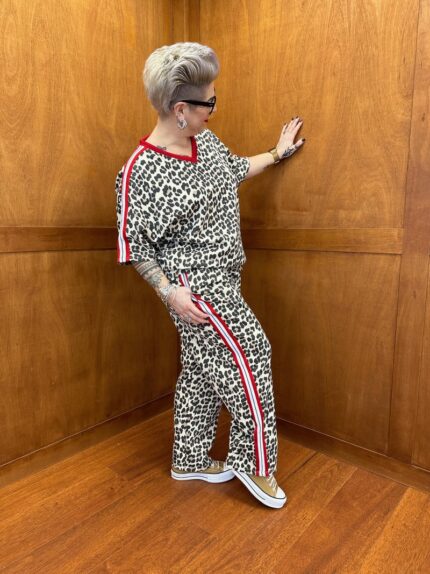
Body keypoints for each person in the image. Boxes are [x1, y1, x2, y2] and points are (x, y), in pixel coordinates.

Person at [115, 42, 305, 509]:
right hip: (194, 287)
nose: (214, 110)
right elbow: (134, 247)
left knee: (201, 372)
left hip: (227, 276)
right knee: (254, 352)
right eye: (209, 102)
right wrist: (170, 294)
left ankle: (189, 458)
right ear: (179, 109)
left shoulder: (207, 143)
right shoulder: (139, 170)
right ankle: (253, 461)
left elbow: (234, 170)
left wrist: (276, 153)